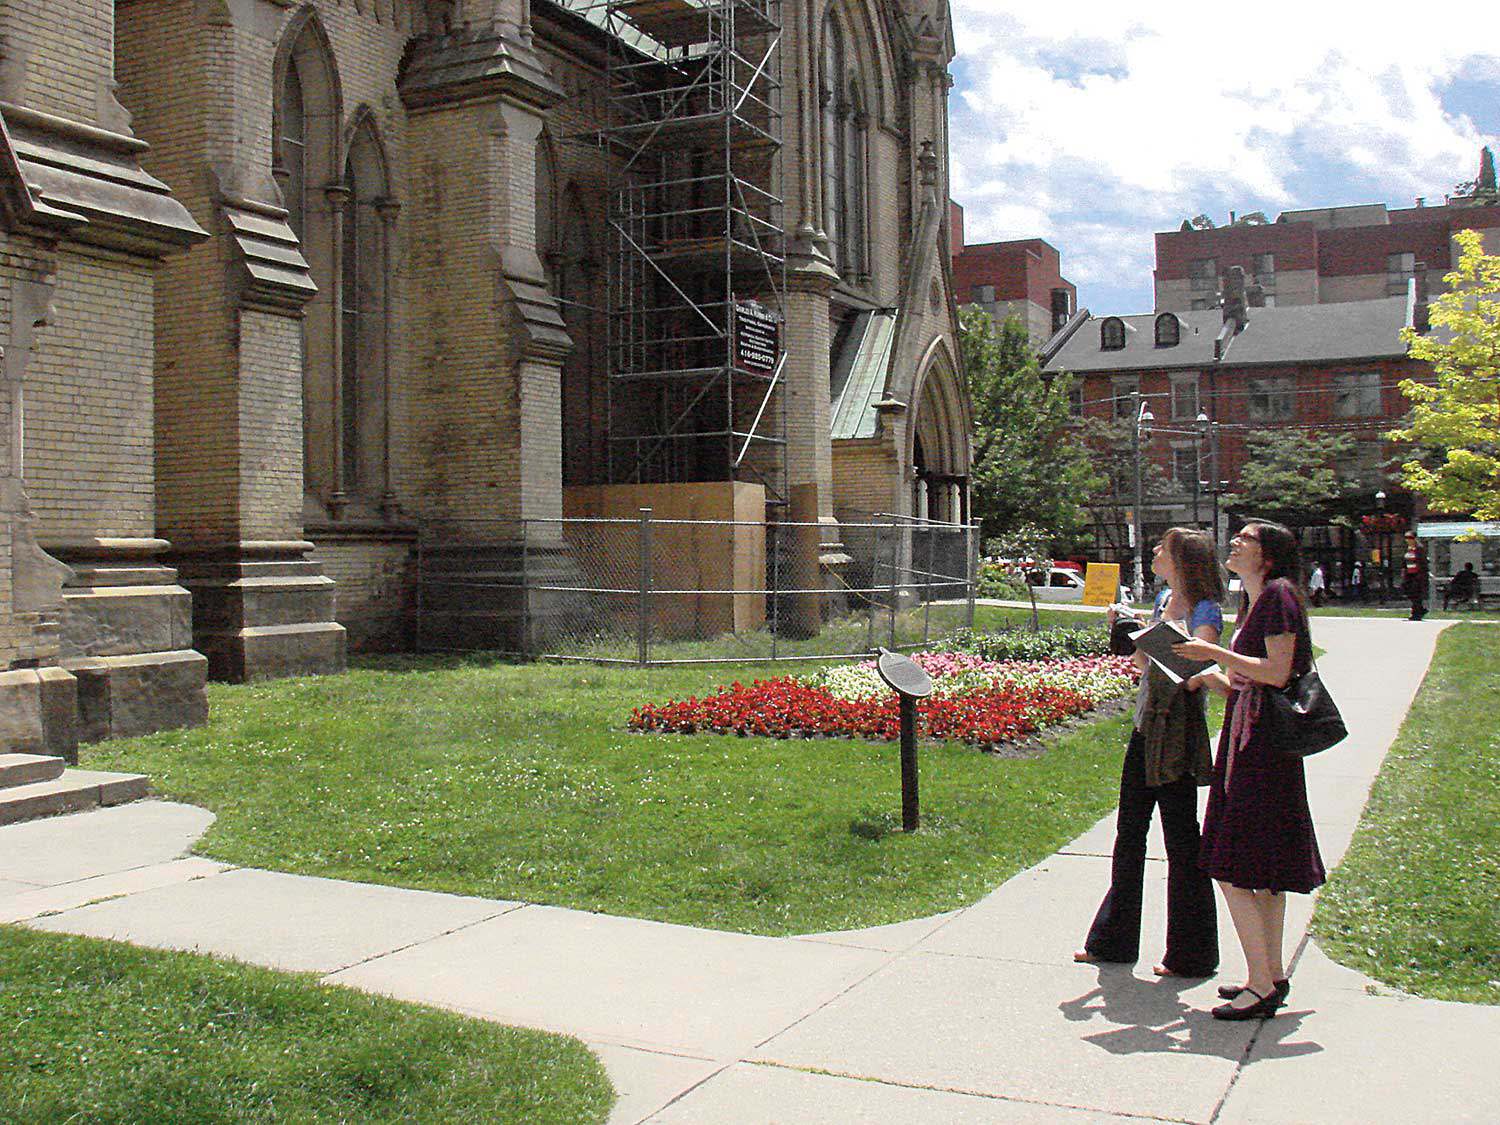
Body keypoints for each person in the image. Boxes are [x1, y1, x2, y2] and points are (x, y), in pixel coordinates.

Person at [1172, 520, 1325, 1021]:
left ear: (1270, 554)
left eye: (1246, 540)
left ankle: (1261, 983)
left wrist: (1213, 651)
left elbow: (1278, 673)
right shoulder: (1257, 601)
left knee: (1233, 866)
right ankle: (1269, 974)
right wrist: (1209, 676)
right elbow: (1251, 679)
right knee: (1263, 872)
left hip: (1261, 753)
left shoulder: (1279, 595)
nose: (1234, 543)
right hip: (1250, 742)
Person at [1075, 528, 1223, 978]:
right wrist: (1133, 635)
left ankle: (1192, 953)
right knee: (1129, 833)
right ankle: (1113, 942)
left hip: (1177, 732)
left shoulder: (1205, 609)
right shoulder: (1162, 601)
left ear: (1182, 559)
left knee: (1181, 839)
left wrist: (1162, 641)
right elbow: (1143, 666)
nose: (1155, 552)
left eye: (1163, 548)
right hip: (1146, 725)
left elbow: (1199, 671)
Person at [1402, 531, 1429, 620]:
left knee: (1415, 593)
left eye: (1410, 538)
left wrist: (1422, 575)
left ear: (1415, 538)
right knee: (1410, 593)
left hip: (1417, 574)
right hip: (1409, 574)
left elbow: (1423, 562)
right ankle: (1420, 610)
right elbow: (1404, 562)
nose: (1408, 540)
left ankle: (1416, 613)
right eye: (1406, 538)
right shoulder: (1407, 549)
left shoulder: (1419, 549)